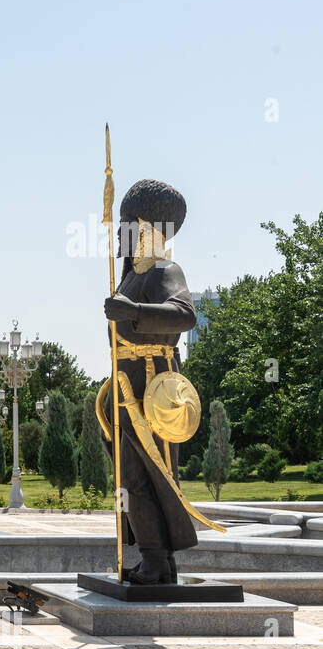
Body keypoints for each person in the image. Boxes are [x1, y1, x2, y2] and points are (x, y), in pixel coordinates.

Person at [101, 179, 201, 584]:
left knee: (150, 475)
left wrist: (133, 309)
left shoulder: (165, 270)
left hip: (152, 389)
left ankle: (159, 560)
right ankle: (154, 558)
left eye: (128, 224)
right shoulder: (129, 277)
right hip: (124, 392)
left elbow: (184, 315)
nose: (121, 234)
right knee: (131, 477)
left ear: (147, 227)